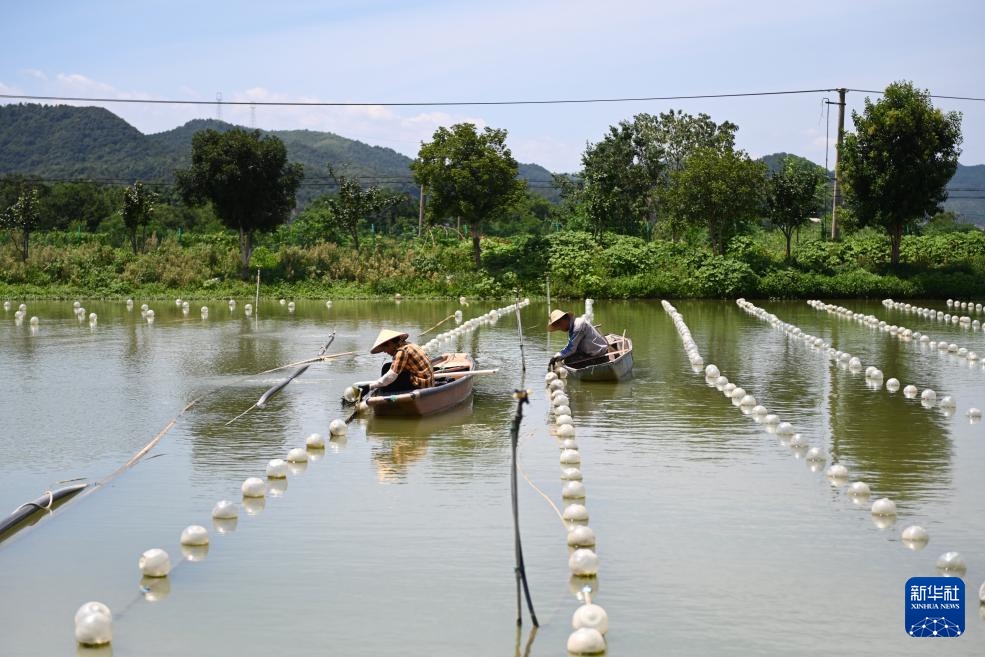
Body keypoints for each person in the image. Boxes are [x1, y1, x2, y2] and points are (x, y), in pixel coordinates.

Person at [363, 329, 435, 396]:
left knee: (386, 369)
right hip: (428, 382)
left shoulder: (402, 351)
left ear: (390, 344)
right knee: (388, 366)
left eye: (385, 349)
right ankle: (383, 391)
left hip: (421, 386)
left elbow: (391, 376)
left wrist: (370, 386)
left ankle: (384, 396)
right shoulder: (410, 345)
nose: (385, 352)